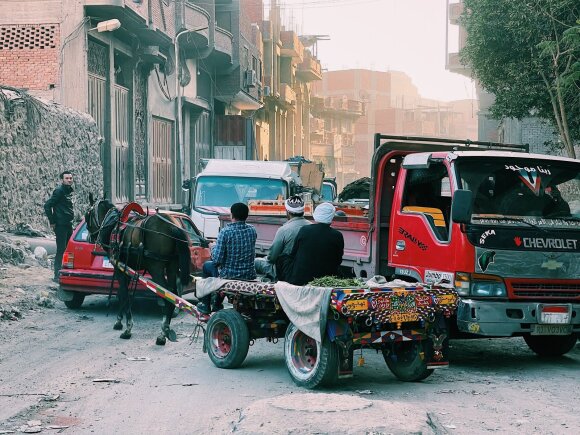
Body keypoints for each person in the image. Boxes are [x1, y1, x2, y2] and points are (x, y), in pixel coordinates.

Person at [197, 202, 257, 314]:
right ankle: (217, 304)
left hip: (230, 275)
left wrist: (212, 246)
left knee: (207, 266)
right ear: (246, 216)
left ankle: (206, 304)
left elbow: (217, 260)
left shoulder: (225, 232)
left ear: (232, 216)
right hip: (249, 274)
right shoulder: (252, 230)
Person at [286, 202, 344, 286]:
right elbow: (338, 260)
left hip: (300, 279)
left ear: (316, 215)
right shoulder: (337, 235)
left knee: (283, 258)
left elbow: (293, 254)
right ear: (331, 217)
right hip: (326, 279)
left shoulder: (304, 230)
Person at [254, 196, 310, 281]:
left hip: (286, 270)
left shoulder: (284, 230)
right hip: (306, 269)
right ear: (303, 211)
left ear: (288, 212)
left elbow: (272, 258)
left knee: (255, 262)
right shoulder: (311, 227)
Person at [44, 171, 74, 282]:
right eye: (67, 178)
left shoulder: (68, 191)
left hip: (68, 224)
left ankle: (68, 272)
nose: (69, 180)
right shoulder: (59, 191)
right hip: (61, 226)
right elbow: (47, 205)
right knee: (61, 250)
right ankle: (57, 275)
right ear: (62, 180)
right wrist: (52, 221)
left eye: (71, 178)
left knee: (70, 249)